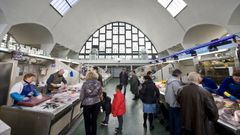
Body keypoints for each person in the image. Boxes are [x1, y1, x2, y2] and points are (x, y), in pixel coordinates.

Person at [80, 71, 102, 135]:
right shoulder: (98, 83)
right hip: (96, 103)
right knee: (94, 121)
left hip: (87, 105)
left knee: (87, 122)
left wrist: (81, 100)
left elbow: (82, 96)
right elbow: (100, 93)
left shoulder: (85, 84)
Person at [165, 69, 182, 135]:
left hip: (169, 103)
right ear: (178, 75)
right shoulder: (175, 82)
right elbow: (178, 94)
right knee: (177, 121)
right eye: (180, 75)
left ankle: (172, 133)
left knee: (172, 120)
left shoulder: (169, 80)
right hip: (175, 105)